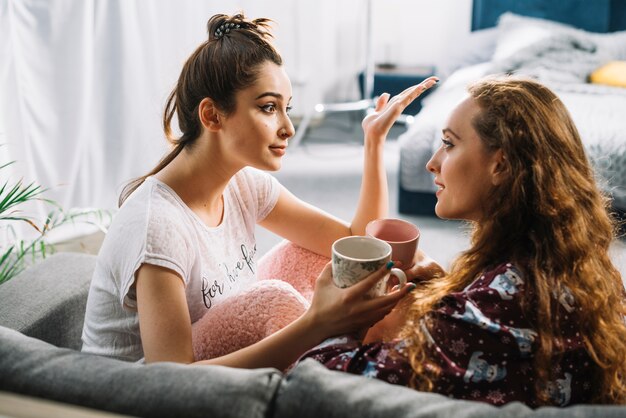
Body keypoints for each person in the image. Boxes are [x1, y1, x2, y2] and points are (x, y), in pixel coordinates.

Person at [80, 13, 438, 370]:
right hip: (138, 390)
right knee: (276, 301)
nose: (287, 128)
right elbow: (170, 378)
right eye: (269, 107)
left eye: (287, 108)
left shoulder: (244, 183)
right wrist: (316, 323)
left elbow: (356, 240)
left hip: (203, 348)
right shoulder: (156, 226)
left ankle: (372, 349)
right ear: (212, 116)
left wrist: (374, 141)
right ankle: (353, 362)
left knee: (323, 257)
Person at [300, 76, 626, 406]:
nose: (432, 163)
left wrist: (331, 321)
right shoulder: (588, 275)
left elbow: (318, 384)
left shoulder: (483, 313)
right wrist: (449, 288)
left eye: (450, 144)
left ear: (501, 164)